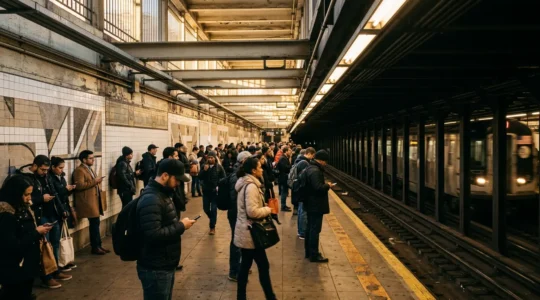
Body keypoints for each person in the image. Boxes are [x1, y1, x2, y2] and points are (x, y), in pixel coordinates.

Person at [136, 159, 196, 300]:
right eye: (177, 179)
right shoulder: (152, 199)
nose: (179, 184)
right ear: (165, 176)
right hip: (155, 267)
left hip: (164, 263)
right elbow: (153, 234)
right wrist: (181, 226)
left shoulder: (163, 194)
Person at [0, 175, 51, 299]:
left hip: (27, 265)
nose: (29, 198)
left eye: (30, 194)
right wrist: (36, 233)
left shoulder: (21, 207)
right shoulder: (6, 215)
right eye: (26, 194)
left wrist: (39, 230)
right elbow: (12, 245)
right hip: (14, 268)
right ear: (15, 193)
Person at [24, 155, 72, 287]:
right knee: (46, 246)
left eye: (46, 169)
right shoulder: (29, 178)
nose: (45, 172)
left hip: (53, 214)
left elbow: (55, 194)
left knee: (55, 244)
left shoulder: (47, 177)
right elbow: (28, 200)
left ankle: (56, 270)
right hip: (41, 216)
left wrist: (62, 210)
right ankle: (47, 276)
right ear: (34, 166)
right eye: (42, 169)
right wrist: (41, 199)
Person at [234, 157, 277, 300]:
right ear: (253, 170)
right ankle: (270, 297)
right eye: (259, 167)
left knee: (247, 266)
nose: (262, 169)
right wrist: (267, 209)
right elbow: (252, 211)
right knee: (261, 266)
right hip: (251, 233)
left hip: (247, 231)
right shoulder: (251, 186)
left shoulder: (246, 183)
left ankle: (244, 297)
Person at [73, 150, 108, 255]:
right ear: (84, 159)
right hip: (87, 202)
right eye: (90, 158)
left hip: (94, 200)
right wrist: (95, 181)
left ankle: (99, 245)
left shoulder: (89, 169)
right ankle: (95, 247)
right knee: (94, 224)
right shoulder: (79, 170)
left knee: (96, 223)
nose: (93, 160)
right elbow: (79, 186)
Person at [304, 150, 333, 263]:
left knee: (310, 228)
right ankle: (314, 255)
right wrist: (327, 185)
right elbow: (318, 188)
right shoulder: (315, 171)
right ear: (320, 160)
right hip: (315, 204)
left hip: (311, 203)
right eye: (325, 161)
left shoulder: (310, 168)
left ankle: (308, 252)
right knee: (314, 230)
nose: (325, 163)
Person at [48, 156, 78, 270]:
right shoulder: (50, 178)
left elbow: (63, 194)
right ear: (53, 167)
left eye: (63, 168)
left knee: (62, 237)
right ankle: (58, 263)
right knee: (56, 239)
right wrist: (66, 189)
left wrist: (70, 189)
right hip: (56, 210)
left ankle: (64, 260)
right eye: (60, 168)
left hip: (63, 208)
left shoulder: (61, 177)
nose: (62, 170)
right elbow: (56, 195)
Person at [226, 151, 251, 282]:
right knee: (236, 241)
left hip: (239, 213)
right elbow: (234, 197)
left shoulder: (241, 173)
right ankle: (234, 271)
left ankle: (240, 265)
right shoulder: (237, 176)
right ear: (243, 161)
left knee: (241, 240)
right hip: (236, 213)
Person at [199, 151, 225, 235]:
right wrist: (204, 171)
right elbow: (199, 176)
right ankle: (212, 218)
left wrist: (219, 185)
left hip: (215, 192)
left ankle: (212, 227)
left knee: (213, 210)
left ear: (215, 158)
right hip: (206, 191)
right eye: (209, 157)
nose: (210, 159)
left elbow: (223, 178)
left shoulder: (219, 167)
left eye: (212, 157)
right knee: (206, 209)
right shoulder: (204, 166)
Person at [292, 148, 316, 238]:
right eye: (312, 155)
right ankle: (302, 232)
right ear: (309, 153)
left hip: (299, 189)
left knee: (300, 210)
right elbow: (304, 177)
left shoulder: (299, 160)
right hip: (302, 190)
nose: (313, 157)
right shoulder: (304, 162)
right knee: (303, 212)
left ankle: (300, 231)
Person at [277, 146, 293, 212]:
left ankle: (284, 205)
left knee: (285, 192)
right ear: (286, 151)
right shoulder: (283, 158)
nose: (290, 152)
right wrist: (291, 166)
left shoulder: (285, 157)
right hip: (283, 178)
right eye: (289, 151)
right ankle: (283, 206)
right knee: (284, 192)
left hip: (284, 177)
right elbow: (285, 168)